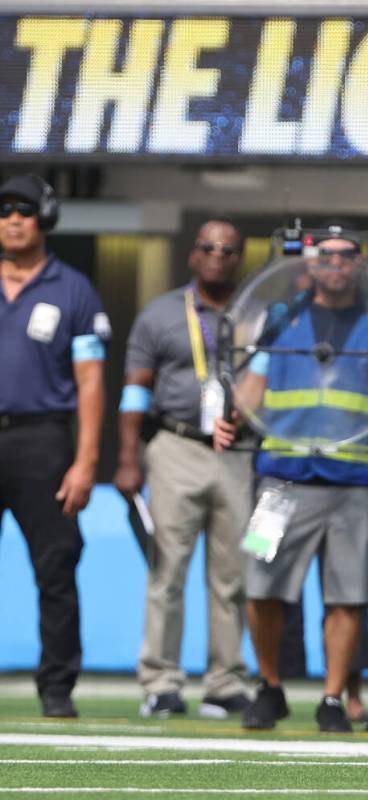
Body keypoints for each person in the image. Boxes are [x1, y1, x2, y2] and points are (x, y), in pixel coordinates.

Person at [213, 225, 368, 732]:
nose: (334, 264)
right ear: (307, 265)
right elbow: (255, 378)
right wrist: (232, 417)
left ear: (360, 263)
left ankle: (333, 698)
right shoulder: (280, 315)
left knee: (349, 595)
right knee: (261, 587)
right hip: (280, 478)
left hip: (357, 477)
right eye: (324, 256)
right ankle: (270, 687)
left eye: (345, 256)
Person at [114, 220, 253, 718]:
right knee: (166, 570)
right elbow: (134, 390)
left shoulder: (256, 313)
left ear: (240, 258)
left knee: (234, 574)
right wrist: (129, 458)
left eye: (228, 249)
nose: (218, 255)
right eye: (208, 247)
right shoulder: (161, 313)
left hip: (239, 453)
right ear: (192, 256)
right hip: (174, 447)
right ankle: (161, 681)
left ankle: (226, 681)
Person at [0, 174, 109, 718]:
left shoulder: (74, 290)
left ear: (44, 216)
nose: (13, 219)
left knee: (56, 567)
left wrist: (86, 462)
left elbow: (91, 381)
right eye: (4, 210)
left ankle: (57, 690)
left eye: (23, 209)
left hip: (42, 441)